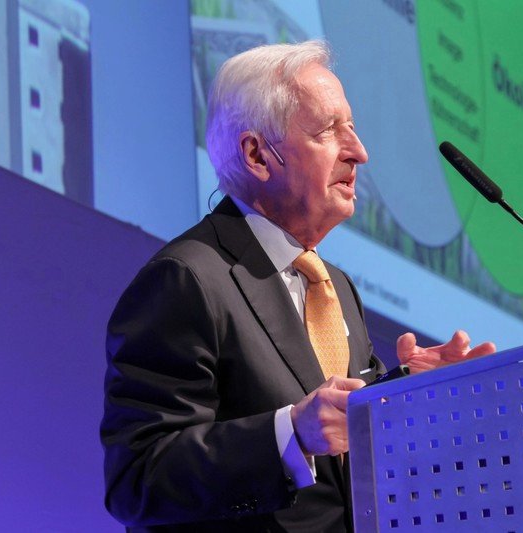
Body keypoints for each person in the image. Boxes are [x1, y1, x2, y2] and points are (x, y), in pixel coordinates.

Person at [100, 40, 495, 532]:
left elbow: (344, 450)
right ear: (257, 154)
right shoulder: (187, 279)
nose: (359, 152)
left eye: (352, 127)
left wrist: (408, 392)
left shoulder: (336, 287)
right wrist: (290, 434)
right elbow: (137, 478)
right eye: (329, 130)